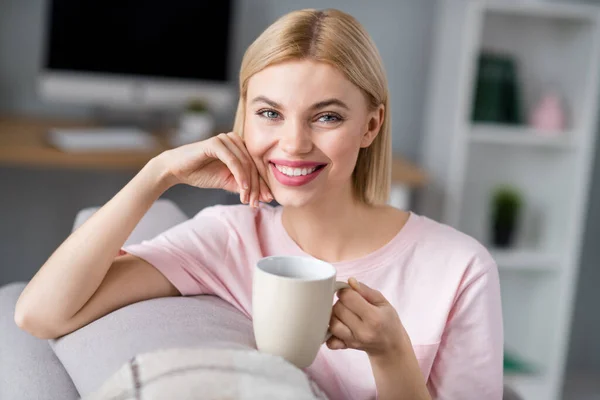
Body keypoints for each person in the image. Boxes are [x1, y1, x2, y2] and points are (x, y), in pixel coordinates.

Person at [14, 8, 503, 400]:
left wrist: (392, 355)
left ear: (370, 127)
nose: (292, 144)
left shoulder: (460, 268)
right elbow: (40, 314)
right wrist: (155, 173)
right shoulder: (228, 239)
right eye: (270, 113)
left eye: (326, 117)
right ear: (243, 117)